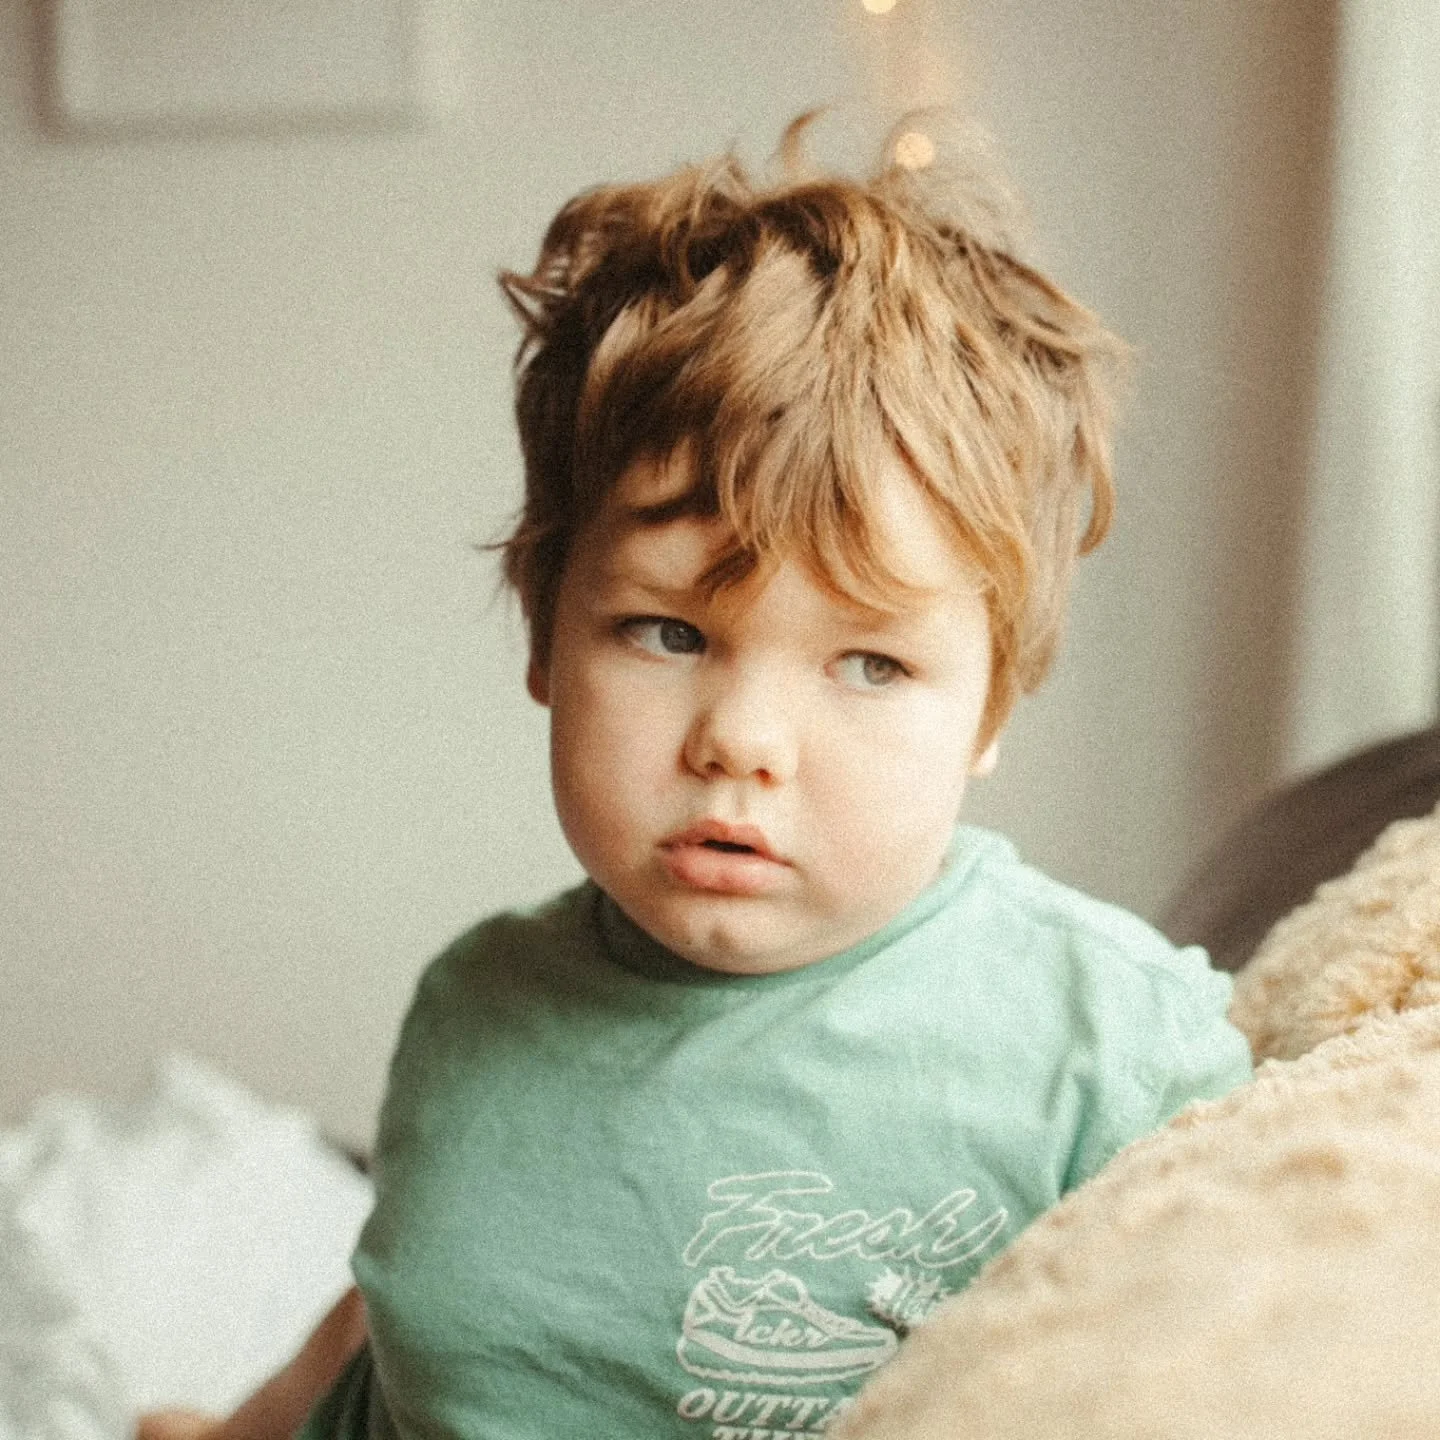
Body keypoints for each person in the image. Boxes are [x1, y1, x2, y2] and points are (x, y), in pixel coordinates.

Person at [139, 114, 1252, 1440]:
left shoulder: (1116, 1052)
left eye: (870, 665)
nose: (742, 741)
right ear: (549, 629)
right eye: (669, 633)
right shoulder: (477, 1005)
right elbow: (403, 1306)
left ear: (990, 705)